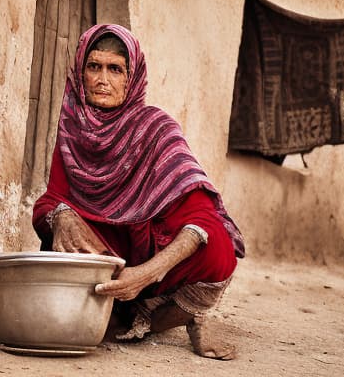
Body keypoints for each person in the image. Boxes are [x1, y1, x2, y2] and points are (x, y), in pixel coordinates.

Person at [33, 24, 245, 360]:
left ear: (132, 79)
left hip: (152, 256)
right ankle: (131, 315)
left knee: (217, 247)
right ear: (80, 71)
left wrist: (149, 272)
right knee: (59, 242)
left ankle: (187, 317)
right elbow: (52, 197)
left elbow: (201, 217)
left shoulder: (156, 127)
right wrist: (62, 215)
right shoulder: (73, 127)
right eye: (94, 67)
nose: (103, 79)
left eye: (115, 69)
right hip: (110, 253)